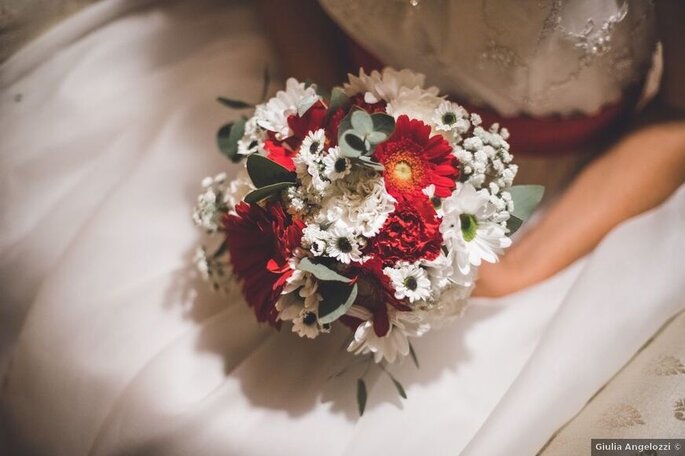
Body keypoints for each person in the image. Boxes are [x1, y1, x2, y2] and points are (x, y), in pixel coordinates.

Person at [0, 1, 683, 455]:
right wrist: (319, 139)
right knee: (91, 343)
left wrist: (508, 269)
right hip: (319, 83)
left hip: (556, 195)